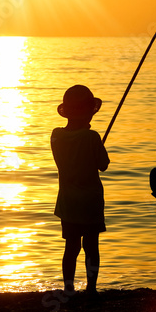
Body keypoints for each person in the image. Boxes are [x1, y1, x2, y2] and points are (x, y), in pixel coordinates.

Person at [51, 85, 110, 296]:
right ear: (88, 112)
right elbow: (103, 164)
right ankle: (91, 289)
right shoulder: (91, 137)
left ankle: (68, 290)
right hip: (90, 201)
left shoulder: (56, 136)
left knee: (71, 247)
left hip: (68, 202)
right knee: (91, 247)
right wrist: (96, 144)